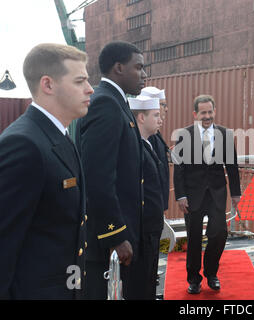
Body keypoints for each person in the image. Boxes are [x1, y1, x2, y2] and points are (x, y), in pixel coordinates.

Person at [0, 43, 93, 299]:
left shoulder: (58, 136)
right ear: (48, 85)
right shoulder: (24, 144)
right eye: (79, 81)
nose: (90, 89)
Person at [76, 41, 147, 299]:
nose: (144, 74)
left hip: (121, 234)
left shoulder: (117, 102)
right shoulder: (105, 103)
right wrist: (115, 234)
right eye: (138, 67)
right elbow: (97, 178)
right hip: (109, 241)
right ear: (118, 67)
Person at [173, 95, 241, 294]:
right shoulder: (184, 135)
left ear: (214, 112)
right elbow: (179, 169)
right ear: (195, 114)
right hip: (192, 196)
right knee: (194, 238)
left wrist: (236, 193)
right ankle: (194, 279)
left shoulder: (224, 134)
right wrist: (180, 196)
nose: (207, 116)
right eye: (203, 112)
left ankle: (211, 273)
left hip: (217, 193)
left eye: (210, 112)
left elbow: (232, 166)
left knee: (219, 234)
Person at [129, 95, 165, 300]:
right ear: (141, 117)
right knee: (141, 281)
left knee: (150, 278)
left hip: (152, 224)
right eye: (156, 115)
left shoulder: (147, 144)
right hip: (143, 227)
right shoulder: (135, 148)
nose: (160, 119)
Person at [140, 86, 170, 212]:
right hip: (151, 204)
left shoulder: (155, 133)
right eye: (163, 105)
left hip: (158, 201)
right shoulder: (149, 135)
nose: (166, 109)